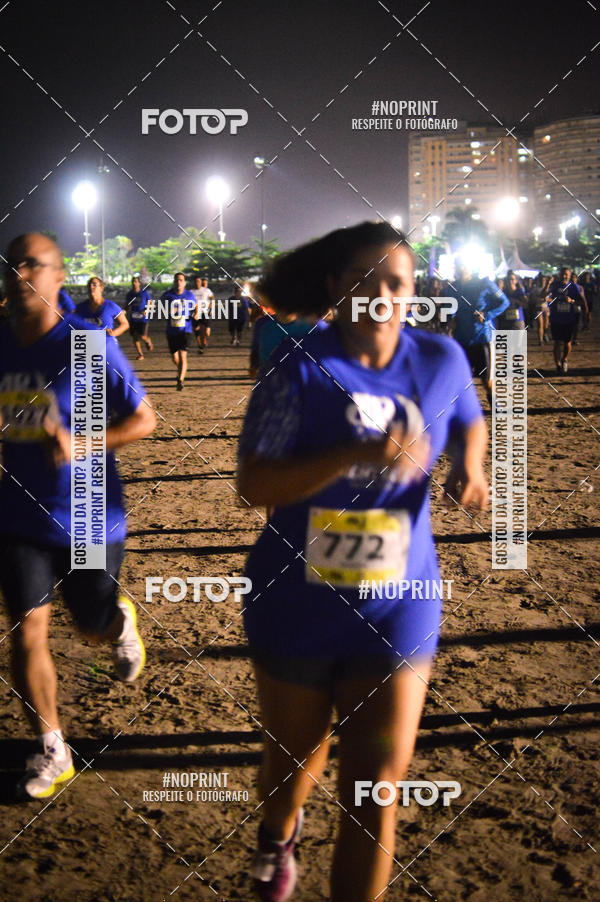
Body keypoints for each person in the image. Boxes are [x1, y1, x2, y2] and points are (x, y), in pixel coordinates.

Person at [237, 221, 489, 902]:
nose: (380, 294)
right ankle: (278, 830)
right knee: (293, 767)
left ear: (413, 294)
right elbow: (254, 483)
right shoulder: (296, 366)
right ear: (333, 289)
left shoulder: (441, 359)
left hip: (398, 604)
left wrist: (471, 467)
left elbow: (469, 414)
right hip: (296, 601)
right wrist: (351, 457)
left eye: (395, 282)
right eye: (362, 279)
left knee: (375, 791)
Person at [0, 233, 156, 799]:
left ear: (57, 275)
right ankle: (52, 747)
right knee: (27, 632)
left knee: (88, 623)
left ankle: (116, 622)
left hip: (88, 512)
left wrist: (82, 442)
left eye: (30, 265)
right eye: (9, 264)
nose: (17, 273)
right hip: (18, 515)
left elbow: (145, 420)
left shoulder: (86, 344)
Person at [447, 264, 510, 405]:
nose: (461, 270)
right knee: (461, 379)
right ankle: (464, 411)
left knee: (486, 380)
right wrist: (450, 319)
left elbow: (504, 302)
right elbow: (448, 306)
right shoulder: (452, 288)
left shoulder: (485, 284)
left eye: (464, 267)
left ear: (470, 268)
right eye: (459, 267)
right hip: (461, 339)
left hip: (482, 338)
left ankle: (494, 401)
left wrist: (487, 315)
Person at [162, 272, 197, 390]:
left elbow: (196, 306)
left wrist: (196, 313)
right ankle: (182, 369)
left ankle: (180, 380)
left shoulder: (189, 295)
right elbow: (161, 309)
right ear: (174, 282)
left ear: (184, 282)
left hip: (185, 330)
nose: (179, 282)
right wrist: (170, 311)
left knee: (183, 356)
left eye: (181, 280)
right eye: (177, 280)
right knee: (175, 358)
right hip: (171, 331)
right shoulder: (167, 295)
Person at [547, 267, 581, 373]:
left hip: (569, 319)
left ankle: (564, 359)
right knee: (557, 342)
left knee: (567, 342)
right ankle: (557, 364)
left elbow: (580, 302)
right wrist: (550, 300)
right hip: (556, 318)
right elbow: (547, 297)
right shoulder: (554, 286)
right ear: (559, 275)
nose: (564, 276)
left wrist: (571, 300)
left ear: (570, 275)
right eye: (562, 274)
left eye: (566, 274)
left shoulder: (573, 287)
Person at [126, 275, 153, 359]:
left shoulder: (144, 293)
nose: (134, 283)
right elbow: (127, 305)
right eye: (133, 282)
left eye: (136, 282)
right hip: (133, 318)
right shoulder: (129, 294)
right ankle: (140, 354)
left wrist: (146, 309)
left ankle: (148, 341)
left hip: (143, 318)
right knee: (135, 336)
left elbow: (151, 303)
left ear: (139, 283)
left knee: (142, 336)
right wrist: (124, 310)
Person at [192, 276, 215, 354]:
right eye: (196, 281)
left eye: (198, 281)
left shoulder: (206, 290)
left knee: (207, 332)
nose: (197, 283)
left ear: (201, 282)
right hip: (195, 313)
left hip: (205, 312)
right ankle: (200, 346)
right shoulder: (191, 292)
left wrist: (211, 307)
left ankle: (204, 340)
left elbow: (212, 297)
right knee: (196, 330)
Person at [529, 274, 550, 344]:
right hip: (538, 307)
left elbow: (551, 298)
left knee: (546, 324)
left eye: (544, 280)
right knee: (540, 324)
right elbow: (531, 298)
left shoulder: (548, 289)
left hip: (546, 308)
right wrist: (538, 299)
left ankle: (545, 334)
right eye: (541, 280)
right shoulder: (535, 289)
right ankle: (540, 340)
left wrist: (547, 299)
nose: (543, 281)